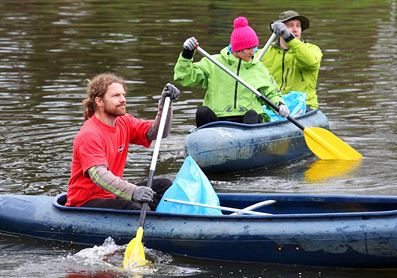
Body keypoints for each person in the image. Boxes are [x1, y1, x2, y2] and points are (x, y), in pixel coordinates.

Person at [66, 73, 180, 210]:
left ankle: (168, 219)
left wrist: (165, 107)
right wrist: (133, 191)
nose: (123, 99)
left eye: (123, 95)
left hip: (112, 194)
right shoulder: (89, 134)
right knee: (134, 207)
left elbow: (157, 132)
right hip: (86, 202)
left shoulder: (124, 121)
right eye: (116, 96)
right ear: (99, 101)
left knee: (164, 185)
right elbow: (99, 176)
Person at [174, 16, 290, 127]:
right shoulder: (213, 62)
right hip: (219, 118)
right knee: (202, 112)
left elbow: (271, 93)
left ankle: (248, 143)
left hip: (247, 120)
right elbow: (184, 77)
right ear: (237, 49)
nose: (253, 53)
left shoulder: (258, 67)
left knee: (252, 114)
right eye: (249, 48)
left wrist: (279, 104)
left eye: (254, 48)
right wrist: (187, 54)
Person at [259, 10, 323, 110]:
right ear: (279, 31)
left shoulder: (313, 50)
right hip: (274, 106)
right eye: (289, 26)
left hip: (304, 107)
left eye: (298, 26)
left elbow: (311, 62)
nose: (295, 30)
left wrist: (289, 38)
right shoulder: (264, 53)